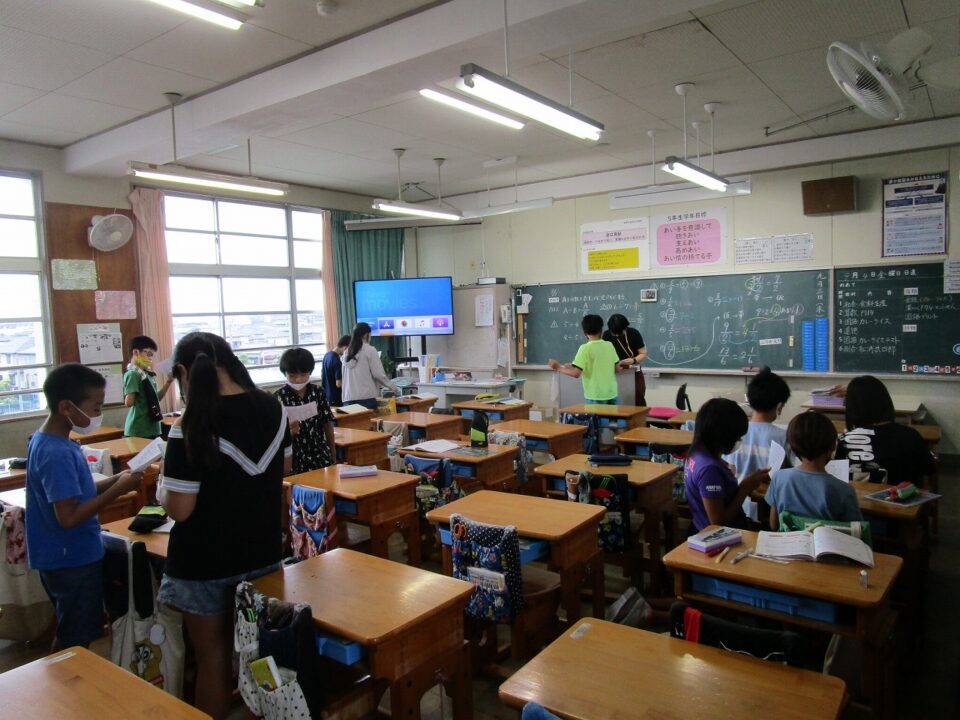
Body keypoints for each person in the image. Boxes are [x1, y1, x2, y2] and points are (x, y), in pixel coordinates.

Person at [156, 332, 291, 720]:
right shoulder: (273, 408)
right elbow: (282, 471)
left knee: (212, 658)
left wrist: (163, 485)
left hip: (205, 562)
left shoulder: (191, 423)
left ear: (184, 372)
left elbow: (180, 510)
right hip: (263, 551)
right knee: (258, 653)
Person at [25, 363, 143, 650]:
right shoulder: (56, 453)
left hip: (66, 555)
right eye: (95, 407)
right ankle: (68, 678)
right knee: (75, 638)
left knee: (75, 628)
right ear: (66, 407)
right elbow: (68, 517)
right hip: (70, 558)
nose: (98, 415)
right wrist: (118, 490)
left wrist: (117, 479)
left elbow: (79, 492)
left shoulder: (52, 441)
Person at [684, 398, 769, 532]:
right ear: (723, 435)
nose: (739, 440)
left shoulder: (697, 453)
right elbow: (718, 523)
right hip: (718, 536)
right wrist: (744, 488)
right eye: (736, 436)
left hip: (701, 526)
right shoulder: (710, 469)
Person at [766, 411, 861, 527]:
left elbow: (774, 524)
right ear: (832, 446)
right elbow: (857, 531)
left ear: (792, 445)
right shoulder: (844, 491)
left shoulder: (779, 478)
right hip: (827, 540)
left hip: (787, 538)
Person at [722, 367, 792, 524]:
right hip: (768, 513)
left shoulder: (733, 432)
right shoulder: (784, 437)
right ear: (779, 406)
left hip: (735, 508)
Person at [835, 375, 935, 485]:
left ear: (851, 407)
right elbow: (928, 469)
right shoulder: (910, 436)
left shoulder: (844, 440)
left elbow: (835, 475)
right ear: (886, 401)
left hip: (856, 495)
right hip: (899, 495)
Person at [276, 347, 336, 474]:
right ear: (284, 373)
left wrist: (333, 453)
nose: (298, 380)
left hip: (319, 454)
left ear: (310, 372)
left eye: (303, 375)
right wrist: (289, 432)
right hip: (292, 458)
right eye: (292, 375)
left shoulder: (318, 392)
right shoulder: (279, 397)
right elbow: (273, 433)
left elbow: (327, 424)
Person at [548, 314, 623, 404]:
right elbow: (617, 369)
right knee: (613, 413)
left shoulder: (584, 349)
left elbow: (576, 373)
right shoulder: (609, 345)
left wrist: (558, 368)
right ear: (601, 330)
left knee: (595, 414)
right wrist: (573, 365)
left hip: (595, 396)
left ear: (584, 333)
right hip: (611, 394)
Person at [123, 335, 173, 439]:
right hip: (138, 428)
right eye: (148, 353)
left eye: (152, 355)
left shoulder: (147, 375)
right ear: (136, 352)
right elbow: (128, 403)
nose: (150, 358)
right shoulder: (133, 374)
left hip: (152, 427)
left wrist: (168, 382)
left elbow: (156, 398)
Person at [341, 322, 396, 409]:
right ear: (366, 335)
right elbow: (378, 374)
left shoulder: (346, 352)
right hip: (366, 398)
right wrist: (392, 386)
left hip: (348, 399)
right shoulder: (369, 350)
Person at [602, 313, 647, 405]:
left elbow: (643, 353)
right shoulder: (606, 335)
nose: (616, 335)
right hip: (614, 372)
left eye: (619, 332)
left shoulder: (634, 333)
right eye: (614, 333)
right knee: (615, 400)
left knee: (638, 398)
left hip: (634, 371)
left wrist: (633, 360)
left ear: (625, 327)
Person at [321, 335, 350, 407]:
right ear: (345, 348)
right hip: (336, 398)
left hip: (327, 396)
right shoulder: (337, 360)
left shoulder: (327, 355)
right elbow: (339, 384)